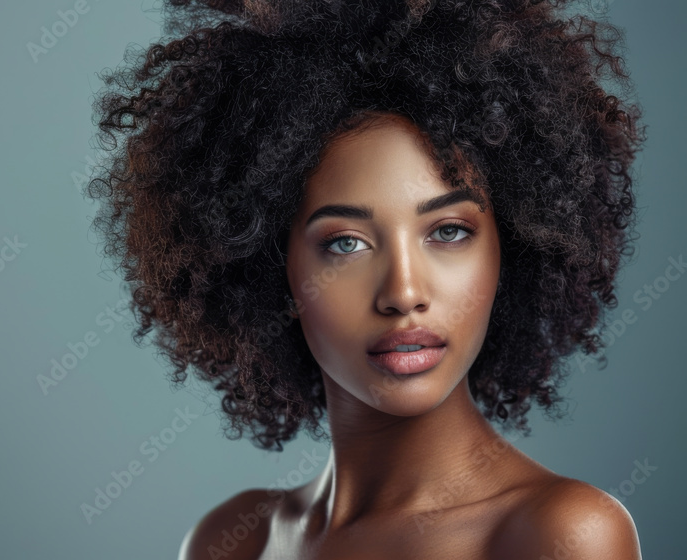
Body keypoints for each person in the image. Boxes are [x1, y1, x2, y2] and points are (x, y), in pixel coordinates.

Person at [84, 0, 646, 557]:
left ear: (515, 248)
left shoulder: (560, 534)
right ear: (264, 265)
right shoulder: (234, 542)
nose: (403, 293)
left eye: (448, 232)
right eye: (346, 243)